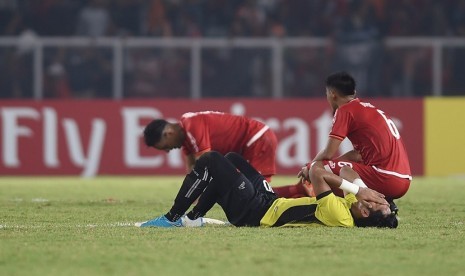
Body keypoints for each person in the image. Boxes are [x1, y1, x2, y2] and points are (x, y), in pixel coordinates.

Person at [136, 151, 397, 228]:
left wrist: (356, 190)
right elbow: (348, 171)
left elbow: (317, 171)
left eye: (376, 202)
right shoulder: (354, 203)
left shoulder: (340, 215)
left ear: (364, 211)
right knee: (233, 159)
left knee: (211, 160)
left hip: (255, 212)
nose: (374, 197)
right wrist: (361, 188)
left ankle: (172, 219)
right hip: (269, 200)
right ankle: (192, 220)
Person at [143, 111, 311, 197]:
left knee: (258, 196)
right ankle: (298, 190)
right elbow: (192, 173)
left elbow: (207, 164)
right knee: (251, 194)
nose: (168, 150)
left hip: (257, 139)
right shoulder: (186, 138)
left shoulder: (191, 125)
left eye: (165, 146)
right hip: (250, 145)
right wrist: (191, 201)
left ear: (168, 134)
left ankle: (298, 193)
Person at [304, 71, 412, 205]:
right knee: (335, 172)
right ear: (353, 92)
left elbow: (328, 153)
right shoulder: (369, 108)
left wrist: (310, 166)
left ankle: (372, 204)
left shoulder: (345, 110)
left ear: (332, 94)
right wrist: (331, 165)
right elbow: (357, 156)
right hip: (403, 180)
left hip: (385, 177)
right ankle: (382, 203)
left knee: (318, 171)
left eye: (326, 94)